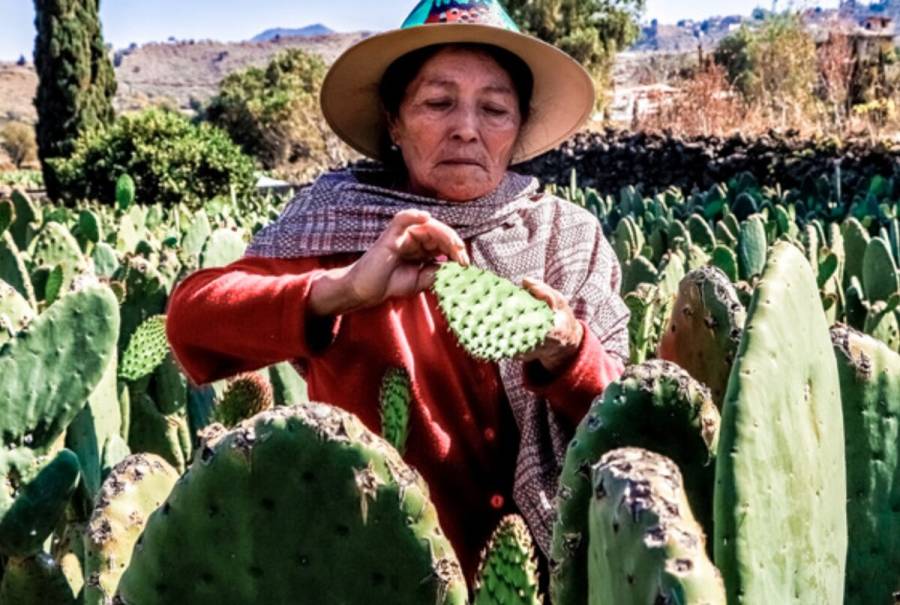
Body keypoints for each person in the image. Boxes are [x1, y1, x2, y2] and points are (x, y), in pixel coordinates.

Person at [166, 0, 629, 582]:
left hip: (548, 578)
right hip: (376, 573)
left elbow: (624, 415)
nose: (467, 127)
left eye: (494, 108)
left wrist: (569, 351)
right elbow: (190, 323)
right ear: (393, 121)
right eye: (438, 103)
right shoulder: (339, 223)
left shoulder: (568, 237)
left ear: (519, 127)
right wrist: (341, 288)